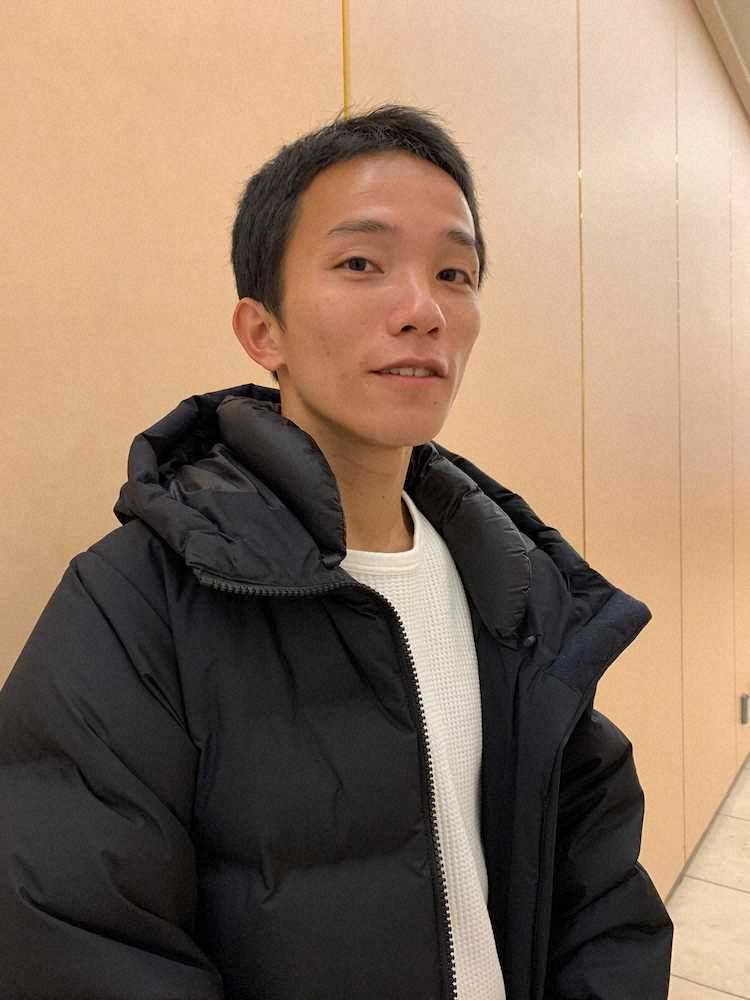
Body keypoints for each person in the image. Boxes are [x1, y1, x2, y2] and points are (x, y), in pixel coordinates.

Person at [0, 104, 672, 999]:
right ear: (262, 331)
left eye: (455, 273)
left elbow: (601, 890)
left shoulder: (515, 586)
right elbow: (75, 942)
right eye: (361, 264)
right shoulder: (132, 605)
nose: (423, 311)